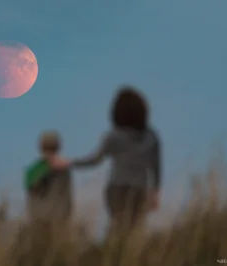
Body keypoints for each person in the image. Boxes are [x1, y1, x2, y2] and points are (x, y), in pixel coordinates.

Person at [52, 86, 162, 231]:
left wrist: (70, 162)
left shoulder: (114, 136)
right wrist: (155, 192)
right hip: (140, 189)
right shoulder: (151, 136)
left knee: (118, 227)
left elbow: (94, 160)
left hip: (117, 188)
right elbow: (156, 167)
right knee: (136, 230)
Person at [24, 130, 73, 226]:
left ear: (40, 147)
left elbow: (30, 191)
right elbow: (67, 198)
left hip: (37, 220)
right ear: (59, 147)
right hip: (59, 220)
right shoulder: (64, 169)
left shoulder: (32, 170)